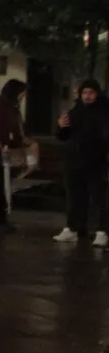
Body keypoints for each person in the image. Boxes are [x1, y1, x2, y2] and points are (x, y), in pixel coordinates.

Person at [54, 80, 109, 247]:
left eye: (91, 93)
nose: (88, 96)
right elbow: (63, 136)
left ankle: (102, 231)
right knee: (74, 196)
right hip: (74, 161)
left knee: (100, 198)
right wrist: (60, 127)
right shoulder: (74, 111)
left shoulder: (104, 112)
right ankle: (73, 228)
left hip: (97, 161)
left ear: (97, 93)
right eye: (85, 93)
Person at [0, 79, 27, 227]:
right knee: (1, 185)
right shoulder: (1, 106)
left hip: (4, 150)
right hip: (0, 152)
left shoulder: (8, 105)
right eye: (21, 93)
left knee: (2, 184)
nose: (23, 97)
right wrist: (7, 141)